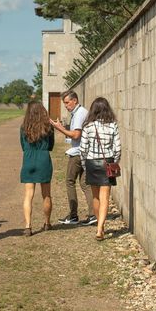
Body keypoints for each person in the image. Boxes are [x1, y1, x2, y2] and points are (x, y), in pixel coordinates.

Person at [79, 97, 121, 241]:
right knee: (105, 197)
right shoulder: (112, 125)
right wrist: (114, 162)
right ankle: (100, 228)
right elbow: (117, 148)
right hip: (107, 162)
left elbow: (83, 149)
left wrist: (85, 165)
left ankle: (99, 226)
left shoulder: (88, 126)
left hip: (91, 162)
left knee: (95, 197)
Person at [50, 91, 94, 225]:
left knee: (70, 181)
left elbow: (75, 135)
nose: (66, 106)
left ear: (74, 100)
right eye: (64, 103)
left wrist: (59, 128)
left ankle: (74, 215)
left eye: (67, 102)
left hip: (78, 153)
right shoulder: (79, 112)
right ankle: (93, 214)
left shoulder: (80, 113)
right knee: (85, 184)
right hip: (83, 152)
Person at [19, 101, 55, 236]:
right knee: (46, 194)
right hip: (44, 159)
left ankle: (28, 226)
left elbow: (23, 146)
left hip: (28, 159)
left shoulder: (24, 127)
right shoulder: (48, 127)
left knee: (28, 195)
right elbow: (51, 145)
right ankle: (47, 222)